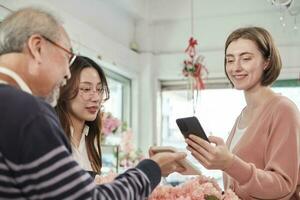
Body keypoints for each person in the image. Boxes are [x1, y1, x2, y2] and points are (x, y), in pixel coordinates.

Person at [0, 7, 186, 199]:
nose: (67, 74)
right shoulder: (28, 112)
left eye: (98, 89)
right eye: (67, 56)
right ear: (37, 48)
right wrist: (152, 169)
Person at [186, 26, 300, 199]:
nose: (235, 67)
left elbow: (283, 185)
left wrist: (230, 163)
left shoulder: (283, 110)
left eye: (246, 58)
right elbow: (241, 185)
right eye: (230, 60)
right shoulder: (242, 116)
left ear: (266, 62)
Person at [55, 56, 108, 176]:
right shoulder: (52, 137)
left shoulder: (91, 138)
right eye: (86, 89)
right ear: (65, 89)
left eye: (99, 89)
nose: (96, 98)